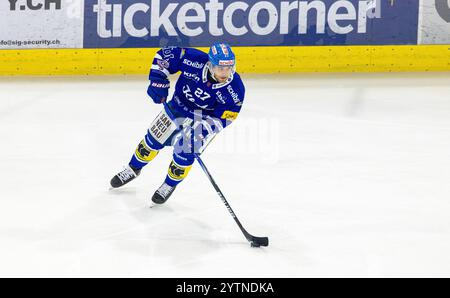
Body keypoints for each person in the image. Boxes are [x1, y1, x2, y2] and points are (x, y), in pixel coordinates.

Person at [110, 43, 245, 204]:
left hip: (202, 119)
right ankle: (133, 169)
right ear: (210, 64)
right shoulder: (193, 59)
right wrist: (157, 80)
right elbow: (164, 56)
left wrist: (204, 129)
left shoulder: (235, 88)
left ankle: (169, 184)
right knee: (152, 141)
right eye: (220, 68)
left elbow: (226, 116)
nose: (225, 73)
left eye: (228, 68)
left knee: (184, 154)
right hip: (177, 106)